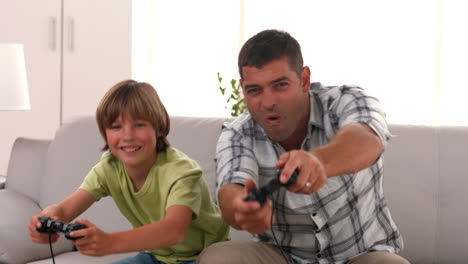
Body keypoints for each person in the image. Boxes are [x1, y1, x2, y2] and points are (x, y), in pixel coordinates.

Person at [198, 29, 409, 264]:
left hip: (361, 256)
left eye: (280, 85)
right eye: (254, 90)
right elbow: (230, 190)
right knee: (218, 258)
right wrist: (240, 208)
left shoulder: (347, 101)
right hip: (284, 257)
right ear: (243, 89)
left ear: (305, 80)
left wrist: (320, 161)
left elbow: (367, 140)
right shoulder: (237, 133)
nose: (268, 102)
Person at [29, 80, 230, 264]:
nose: (128, 136)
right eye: (116, 127)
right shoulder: (109, 168)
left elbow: (174, 230)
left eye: (139, 125)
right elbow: (65, 210)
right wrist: (50, 217)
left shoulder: (182, 172)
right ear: (105, 134)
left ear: (159, 128)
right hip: (157, 256)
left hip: (202, 257)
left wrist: (109, 243)